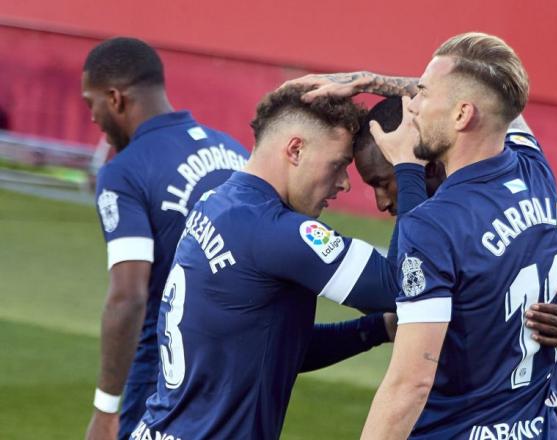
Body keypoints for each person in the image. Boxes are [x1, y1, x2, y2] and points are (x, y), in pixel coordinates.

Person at [289, 32, 557, 439]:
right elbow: (496, 102)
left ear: (460, 115)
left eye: (423, 95)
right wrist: (366, 81)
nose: (414, 104)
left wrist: (407, 164)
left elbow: (409, 383)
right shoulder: (536, 173)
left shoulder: (432, 226)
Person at [131, 85, 400, 439]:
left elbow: (276, 350)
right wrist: (408, 171)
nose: (344, 183)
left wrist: (377, 329)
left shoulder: (217, 203)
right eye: (337, 165)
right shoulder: (274, 231)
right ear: (296, 149)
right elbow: (402, 285)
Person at [354, 96, 557, 426]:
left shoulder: (542, 217)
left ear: (424, 167)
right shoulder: (543, 209)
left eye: (383, 182)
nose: (380, 201)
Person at [81, 37, 250, 440]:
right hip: (241, 371)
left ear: (116, 98)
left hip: (167, 368)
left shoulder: (124, 172)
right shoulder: (234, 151)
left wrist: (106, 409)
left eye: (92, 104)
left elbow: (129, 296)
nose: (93, 119)